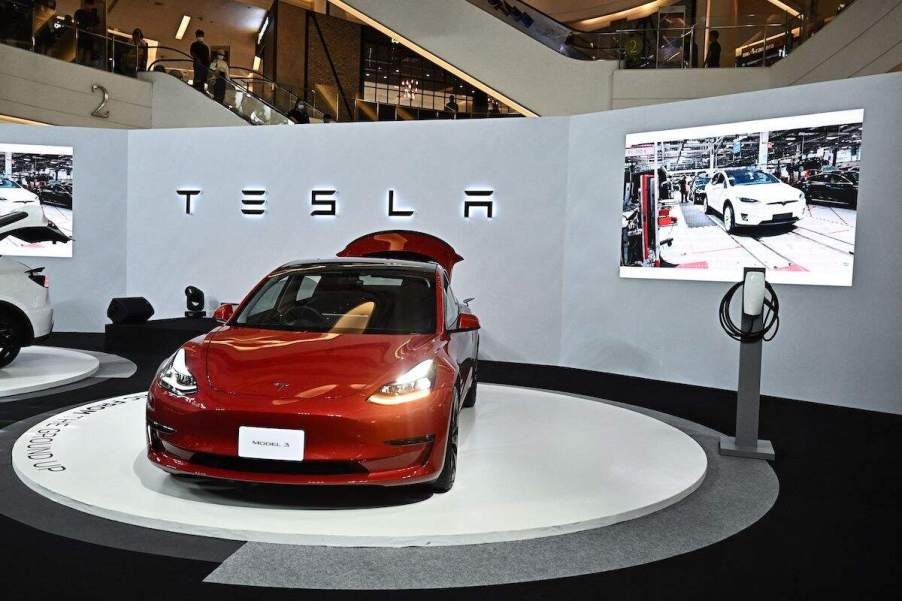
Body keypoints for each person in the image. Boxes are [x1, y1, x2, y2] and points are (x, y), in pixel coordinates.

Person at [74, 0, 100, 66]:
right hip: (82, 34)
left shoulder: (93, 14)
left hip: (88, 35)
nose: (89, 6)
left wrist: (92, 28)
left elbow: (97, 24)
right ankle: (79, 63)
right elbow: (75, 22)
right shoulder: (80, 12)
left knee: (87, 50)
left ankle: (83, 63)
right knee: (82, 49)